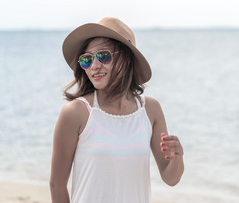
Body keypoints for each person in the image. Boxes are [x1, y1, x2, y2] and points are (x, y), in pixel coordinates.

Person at [49, 17, 184, 203]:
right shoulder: (76, 112)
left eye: (103, 56)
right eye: (87, 59)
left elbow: (171, 178)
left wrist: (177, 157)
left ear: (126, 58)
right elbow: (57, 184)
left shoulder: (150, 110)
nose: (95, 66)